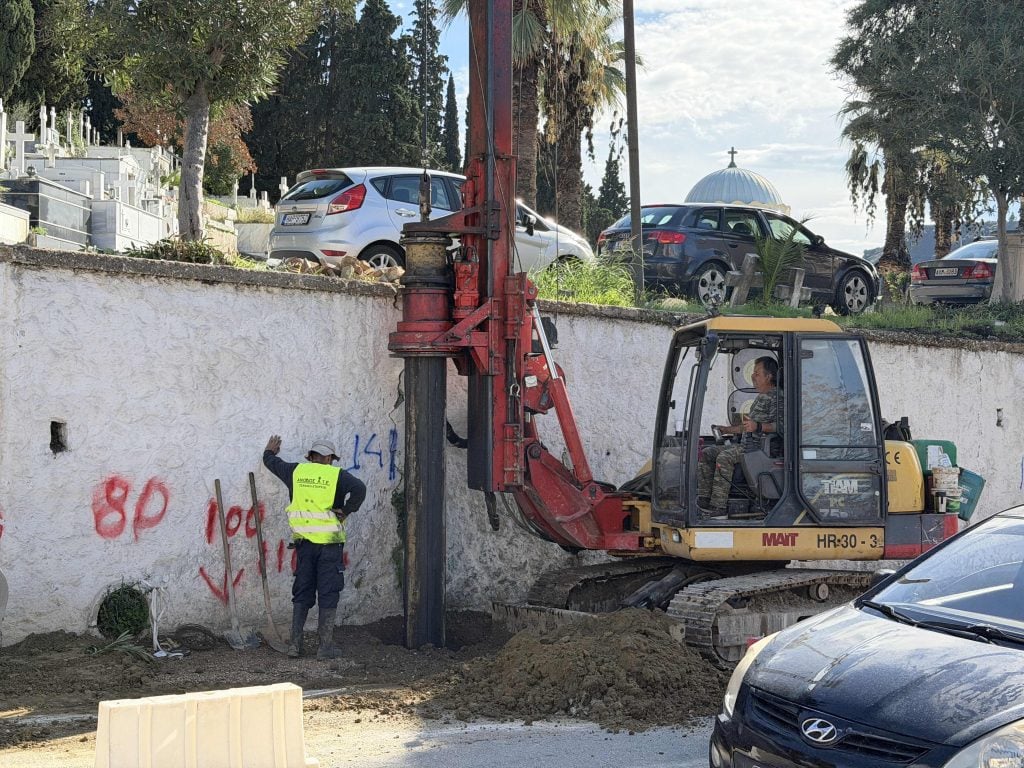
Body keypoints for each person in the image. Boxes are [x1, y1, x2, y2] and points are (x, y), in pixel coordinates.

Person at [263, 435, 366, 659]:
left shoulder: (296, 471)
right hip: (329, 545)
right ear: (329, 458)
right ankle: (325, 647)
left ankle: (295, 645)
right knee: (328, 592)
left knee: (302, 591)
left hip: (304, 545)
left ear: (310, 456)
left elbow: (271, 463)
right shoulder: (337, 475)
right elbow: (360, 489)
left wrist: (269, 452)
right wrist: (347, 510)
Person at [697, 356, 781, 515]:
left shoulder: (777, 398)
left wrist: (759, 426)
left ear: (769, 376)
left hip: (760, 449)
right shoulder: (761, 397)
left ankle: (718, 507)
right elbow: (748, 427)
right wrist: (727, 430)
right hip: (746, 445)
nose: (752, 377)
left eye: (757, 373)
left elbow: (782, 427)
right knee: (707, 453)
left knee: (725, 457)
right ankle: (704, 498)